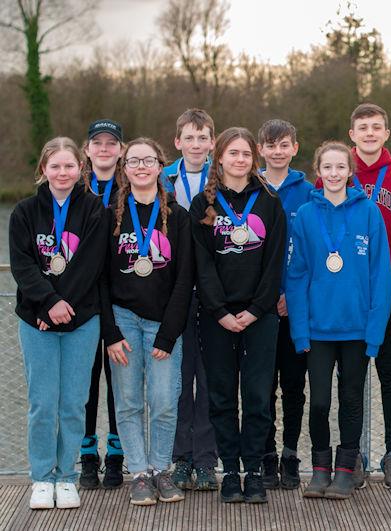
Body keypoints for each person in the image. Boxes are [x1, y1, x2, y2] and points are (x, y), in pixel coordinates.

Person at [287, 141, 391, 500]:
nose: (334, 174)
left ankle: (346, 468)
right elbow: (297, 277)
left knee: (350, 399)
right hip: (317, 329)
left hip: (357, 330)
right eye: (327, 167)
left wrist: (375, 332)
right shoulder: (305, 215)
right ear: (319, 171)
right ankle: (319, 468)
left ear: (350, 172)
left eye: (340, 167)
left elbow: (381, 276)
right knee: (318, 402)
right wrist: (299, 330)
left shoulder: (369, 214)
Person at [189, 127, 286, 504]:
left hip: (260, 316)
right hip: (217, 318)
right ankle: (230, 471)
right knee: (222, 397)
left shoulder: (269, 201)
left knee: (259, 397)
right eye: (233, 153)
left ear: (253, 158)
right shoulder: (204, 205)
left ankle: (256, 471)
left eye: (246, 153)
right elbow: (202, 264)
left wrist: (255, 309)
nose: (241, 159)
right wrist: (221, 311)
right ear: (221, 158)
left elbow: (273, 261)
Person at [10, 137, 108, 509]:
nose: (63, 173)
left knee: (73, 403)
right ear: (43, 170)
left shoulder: (95, 210)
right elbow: (23, 266)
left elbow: (90, 265)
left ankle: (66, 476)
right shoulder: (23, 212)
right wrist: (47, 304)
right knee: (42, 403)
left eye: (69, 166)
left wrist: (64, 306)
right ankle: (41, 476)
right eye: (55, 166)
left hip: (81, 321)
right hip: (38, 322)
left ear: (80, 168)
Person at [102, 138, 194, 505]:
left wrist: (170, 333)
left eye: (149, 160)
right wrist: (109, 331)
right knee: (127, 402)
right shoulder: (109, 215)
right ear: (124, 169)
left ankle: (160, 469)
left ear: (161, 167)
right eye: (134, 161)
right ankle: (138, 472)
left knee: (164, 401)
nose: (141, 167)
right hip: (122, 320)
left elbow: (185, 278)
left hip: (163, 324)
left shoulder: (179, 215)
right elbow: (100, 279)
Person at [334, 102, 391, 488]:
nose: (369, 133)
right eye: (362, 127)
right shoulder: (336, 170)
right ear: (352, 134)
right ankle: (352, 455)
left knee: (390, 372)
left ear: (386, 134)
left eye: (376, 127)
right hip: (346, 288)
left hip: (389, 287)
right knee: (351, 375)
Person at [163, 108, 219, 492]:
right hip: (174, 291)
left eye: (203, 138)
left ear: (212, 142)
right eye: (189, 138)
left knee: (212, 380)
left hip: (216, 291)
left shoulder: (226, 177)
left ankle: (206, 461)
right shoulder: (161, 178)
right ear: (177, 142)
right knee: (179, 382)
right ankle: (180, 458)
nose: (196, 145)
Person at [257, 119, 314, 490]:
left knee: (294, 386)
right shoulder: (249, 188)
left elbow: (314, 250)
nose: (277, 151)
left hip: (295, 307)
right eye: (270, 145)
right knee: (261, 387)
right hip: (258, 307)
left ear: (295, 148)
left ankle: (291, 454)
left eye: (284, 145)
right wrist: (263, 297)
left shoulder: (309, 192)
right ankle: (265, 455)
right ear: (260, 150)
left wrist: (293, 297)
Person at [79, 119, 126, 490]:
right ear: (88, 149)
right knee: (85, 383)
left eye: (112, 143)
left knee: (119, 382)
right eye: (99, 143)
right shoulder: (74, 189)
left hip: (120, 297)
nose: (105, 149)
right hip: (81, 298)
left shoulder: (133, 188)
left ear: (121, 150)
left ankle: (116, 454)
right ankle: (87, 455)